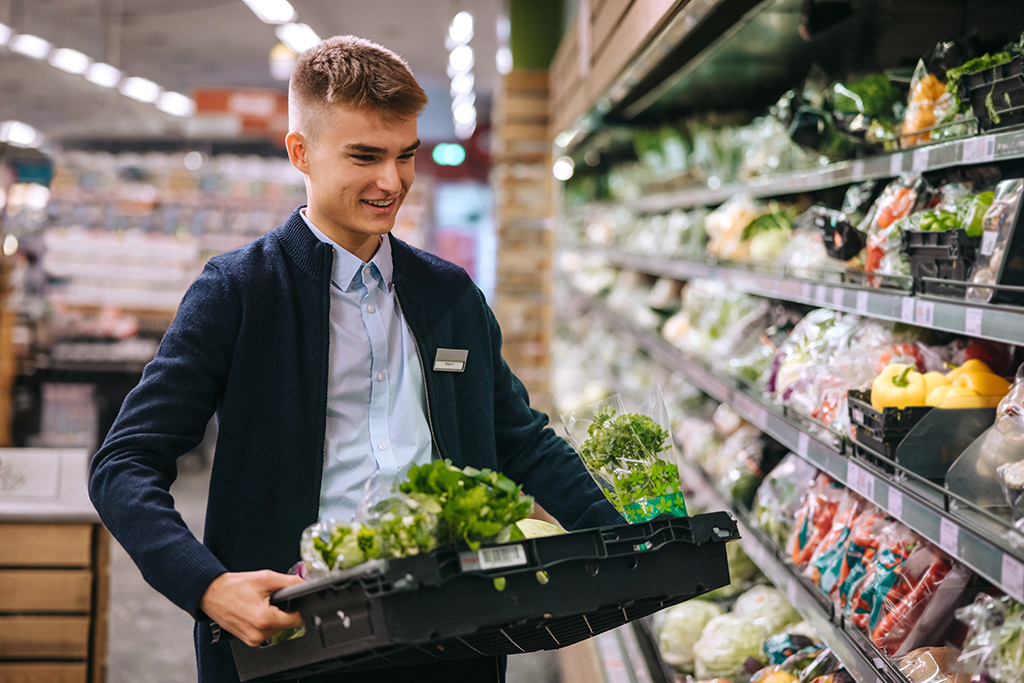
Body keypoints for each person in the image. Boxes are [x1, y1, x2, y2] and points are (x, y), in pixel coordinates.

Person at [89, 35, 623, 683]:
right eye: (365, 156)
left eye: (406, 156)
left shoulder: (450, 295)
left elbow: (522, 440)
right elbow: (124, 462)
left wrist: (630, 540)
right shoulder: (240, 291)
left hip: (454, 632)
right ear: (301, 153)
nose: (392, 181)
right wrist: (206, 585)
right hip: (292, 640)